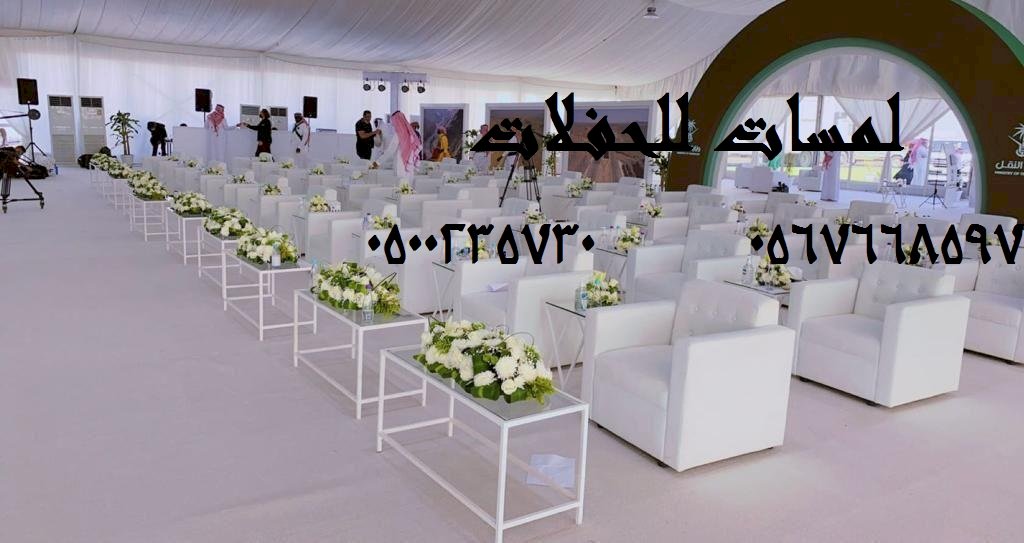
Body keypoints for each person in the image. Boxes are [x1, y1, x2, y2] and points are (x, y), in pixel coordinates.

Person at [390, 110, 421, 179]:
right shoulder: (411, 134)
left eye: (394, 122)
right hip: (409, 166)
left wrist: (378, 162)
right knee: (408, 184)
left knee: (402, 184)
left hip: (401, 165)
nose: (393, 125)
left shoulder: (399, 135)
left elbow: (390, 151)